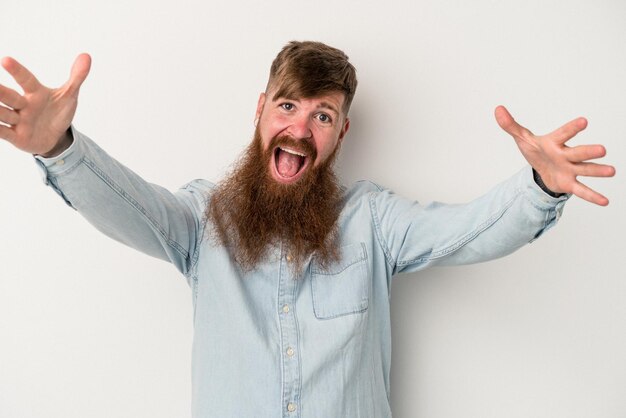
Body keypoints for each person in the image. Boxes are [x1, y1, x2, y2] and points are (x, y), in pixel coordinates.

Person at [0, 41, 615, 418]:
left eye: (323, 114)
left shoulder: (372, 220)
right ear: (261, 109)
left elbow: (468, 231)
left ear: (341, 133)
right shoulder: (202, 219)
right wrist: (59, 148)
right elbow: (128, 206)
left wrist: (538, 188)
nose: (300, 128)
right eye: (288, 106)